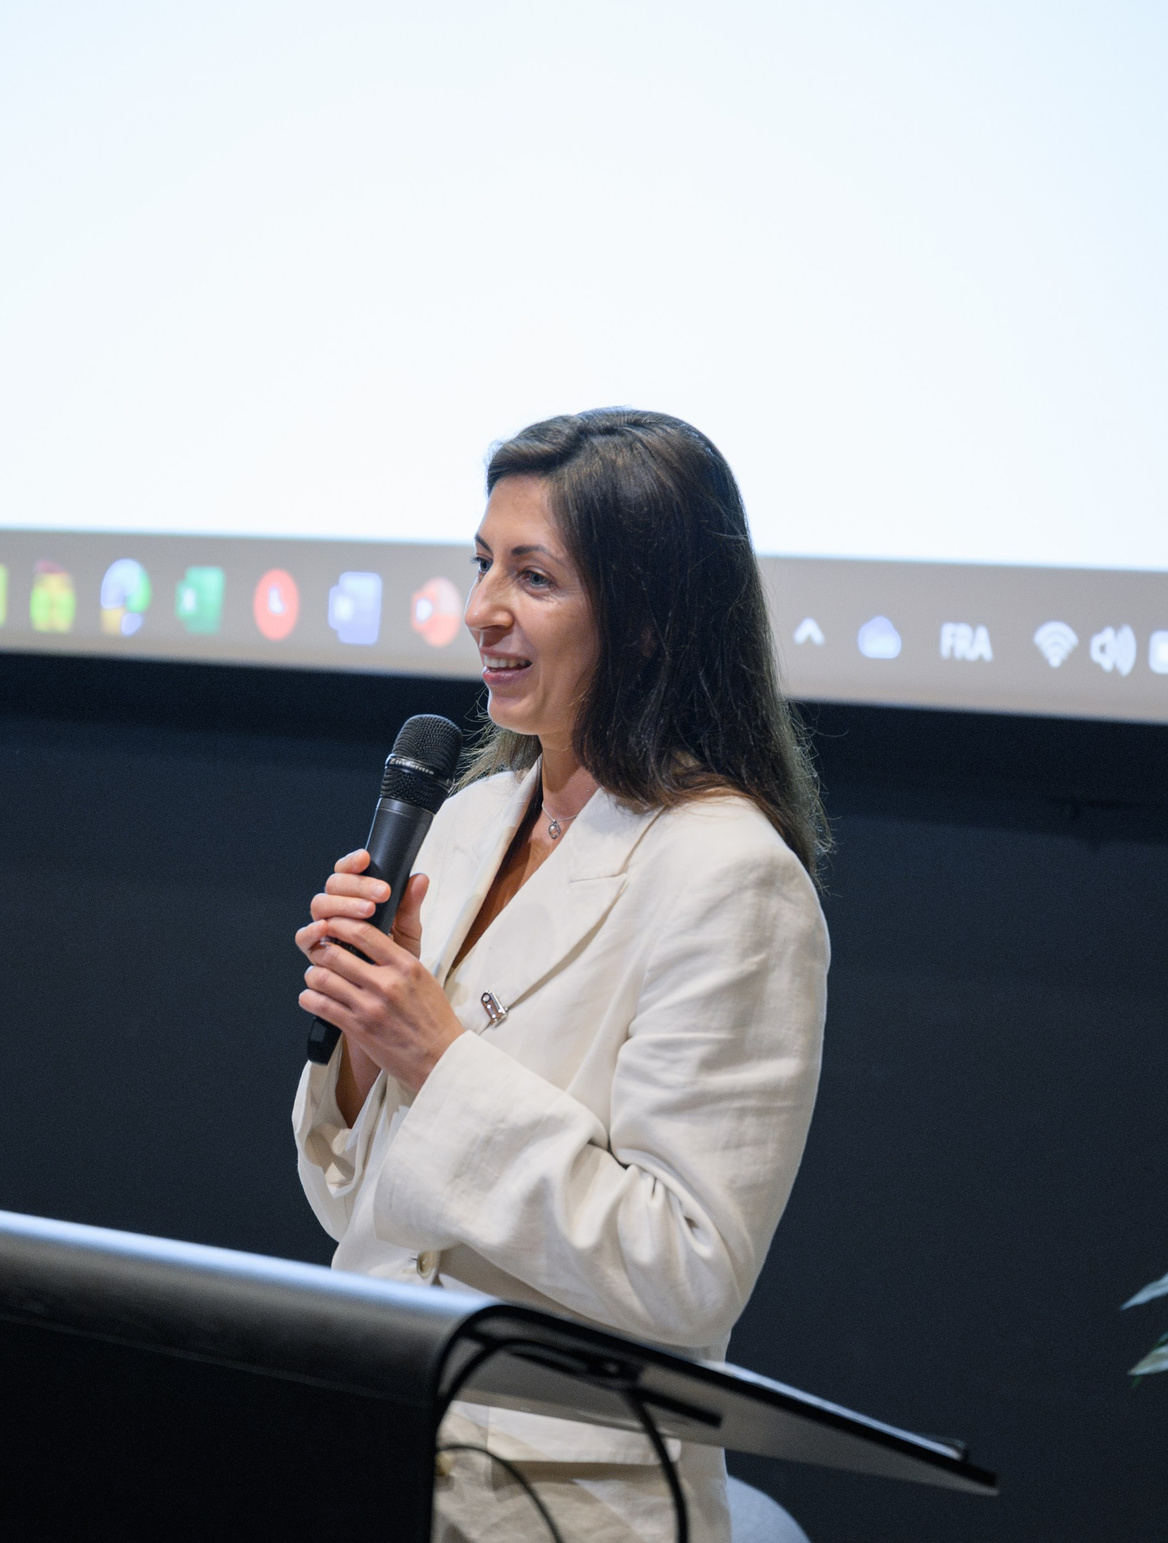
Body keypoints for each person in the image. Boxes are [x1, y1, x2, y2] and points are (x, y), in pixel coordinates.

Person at [292, 409, 831, 1543]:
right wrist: (354, 1035)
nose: (483, 606)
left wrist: (435, 1056)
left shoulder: (730, 874)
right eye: (482, 564)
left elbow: (687, 1267)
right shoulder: (472, 815)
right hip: (370, 1430)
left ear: (645, 620)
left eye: (532, 576)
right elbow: (357, 1200)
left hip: (562, 1497)